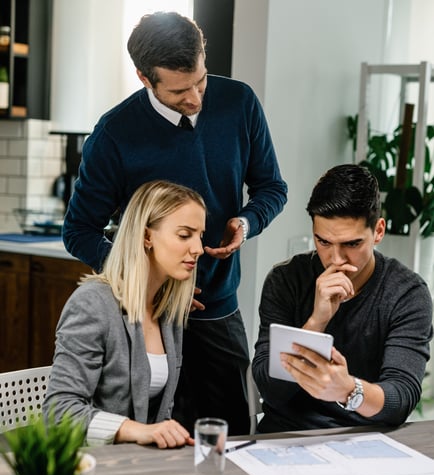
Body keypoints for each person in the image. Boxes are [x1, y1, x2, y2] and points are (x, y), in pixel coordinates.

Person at [62, 11, 287, 435]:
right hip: (150, 319)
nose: (197, 98)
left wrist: (246, 221)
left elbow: (272, 188)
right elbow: (78, 232)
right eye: (181, 90)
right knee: (158, 437)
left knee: (234, 437)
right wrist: (147, 277)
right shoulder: (114, 135)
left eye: (201, 80)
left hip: (218, 310)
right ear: (145, 79)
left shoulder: (239, 102)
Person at [252, 164, 433, 432]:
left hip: (367, 439)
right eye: (323, 242)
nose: (336, 259)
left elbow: (401, 399)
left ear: (378, 231)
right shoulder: (286, 280)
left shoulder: (407, 293)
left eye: (352, 244)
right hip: (286, 434)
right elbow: (270, 389)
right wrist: (316, 322)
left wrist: (349, 389)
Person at [43, 180, 206, 447]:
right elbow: (59, 413)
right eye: (185, 235)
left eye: (200, 235)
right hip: (91, 466)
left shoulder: (168, 310)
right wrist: (137, 431)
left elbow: (161, 414)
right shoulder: (92, 305)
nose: (198, 248)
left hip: (139, 467)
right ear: (146, 236)